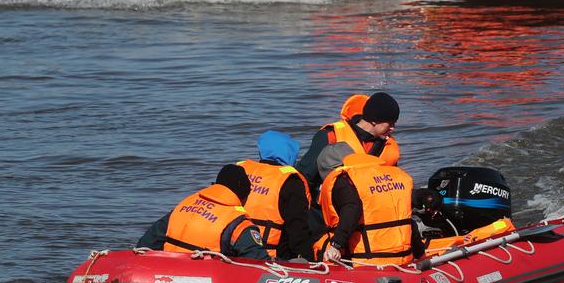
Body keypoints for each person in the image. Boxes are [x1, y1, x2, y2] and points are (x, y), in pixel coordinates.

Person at [313, 143, 425, 265]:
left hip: (367, 261)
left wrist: (336, 245)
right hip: (404, 257)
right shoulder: (394, 174)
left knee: (321, 244)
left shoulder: (343, 181)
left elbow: (352, 209)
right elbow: (407, 220)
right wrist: (420, 254)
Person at [136, 164, 269, 259]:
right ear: (244, 195)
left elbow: (145, 245)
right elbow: (259, 262)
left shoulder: (183, 206)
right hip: (208, 281)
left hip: (167, 271)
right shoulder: (238, 223)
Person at [297, 91, 401, 196]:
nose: (393, 128)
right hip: (333, 202)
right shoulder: (331, 135)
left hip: (372, 202)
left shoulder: (387, 145)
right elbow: (304, 178)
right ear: (374, 120)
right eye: (390, 123)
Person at [236, 130, 314, 261]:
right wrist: (309, 260)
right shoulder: (291, 181)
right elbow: (298, 229)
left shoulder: (241, 171)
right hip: (271, 257)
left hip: (235, 248)